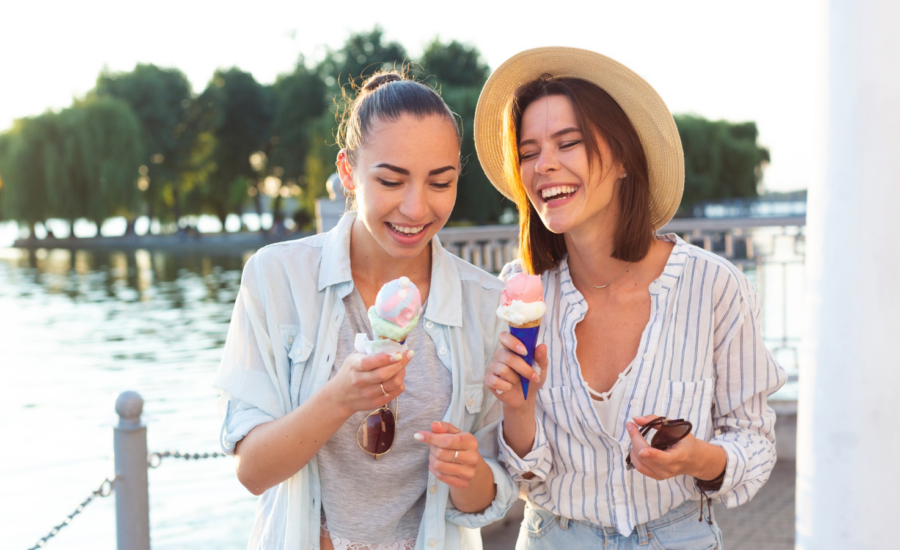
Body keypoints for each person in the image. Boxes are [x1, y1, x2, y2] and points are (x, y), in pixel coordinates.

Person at [475, 48, 786, 549]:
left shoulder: (712, 286)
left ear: (621, 157)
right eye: (528, 152)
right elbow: (522, 476)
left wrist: (695, 458)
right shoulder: (520, 292)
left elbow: (754, 441)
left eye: (567, 143)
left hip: (679, 535)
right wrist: (517, 409)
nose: (544, 166)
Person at [213, 71, 517, 550]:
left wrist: (469, 469)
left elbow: (484, 503)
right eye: (392, 180)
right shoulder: (277, 278)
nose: (416, 209)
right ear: (349, 171)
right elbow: (252, 471)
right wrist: (340, 398)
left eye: (441, 182)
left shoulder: (483, 303)